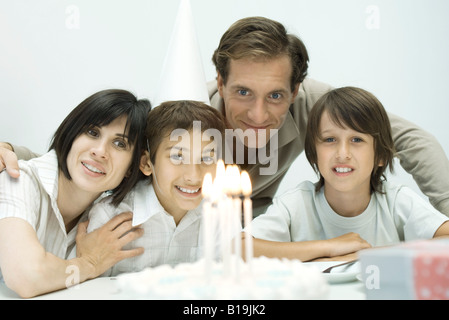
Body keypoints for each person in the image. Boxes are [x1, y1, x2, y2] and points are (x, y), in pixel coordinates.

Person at [2, 16, 449, 217]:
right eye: (242, 92)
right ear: (218, 78)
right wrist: (13, 152)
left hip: (250, 228)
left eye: (276, 95)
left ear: (295, 89)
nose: (259, 114)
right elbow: (100, 153)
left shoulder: (314, 100)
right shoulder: (181, 124)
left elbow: (407, 137)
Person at [246, 87, 449, 262]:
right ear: (314, 154)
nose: (342, 154)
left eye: (357, 140)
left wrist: (369, 255)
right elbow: (237, 248)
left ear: (379, 155)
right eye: (330, 139)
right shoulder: (295, 205)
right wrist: (329, 247)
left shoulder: (397, 202)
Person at [0, 89, 150, 298]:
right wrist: (89, 264)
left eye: (119, 144)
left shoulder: (104, 216)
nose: (99, 151)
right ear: (71, 134)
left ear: (132, 168)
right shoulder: (18, 179)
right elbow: (26, 276)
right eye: (93, 132)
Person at [85, 100, 227, 276]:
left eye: (206, 159)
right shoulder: (109, 217)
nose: (193, 176)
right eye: (177, 157)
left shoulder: (221, 212)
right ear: (146, 163)